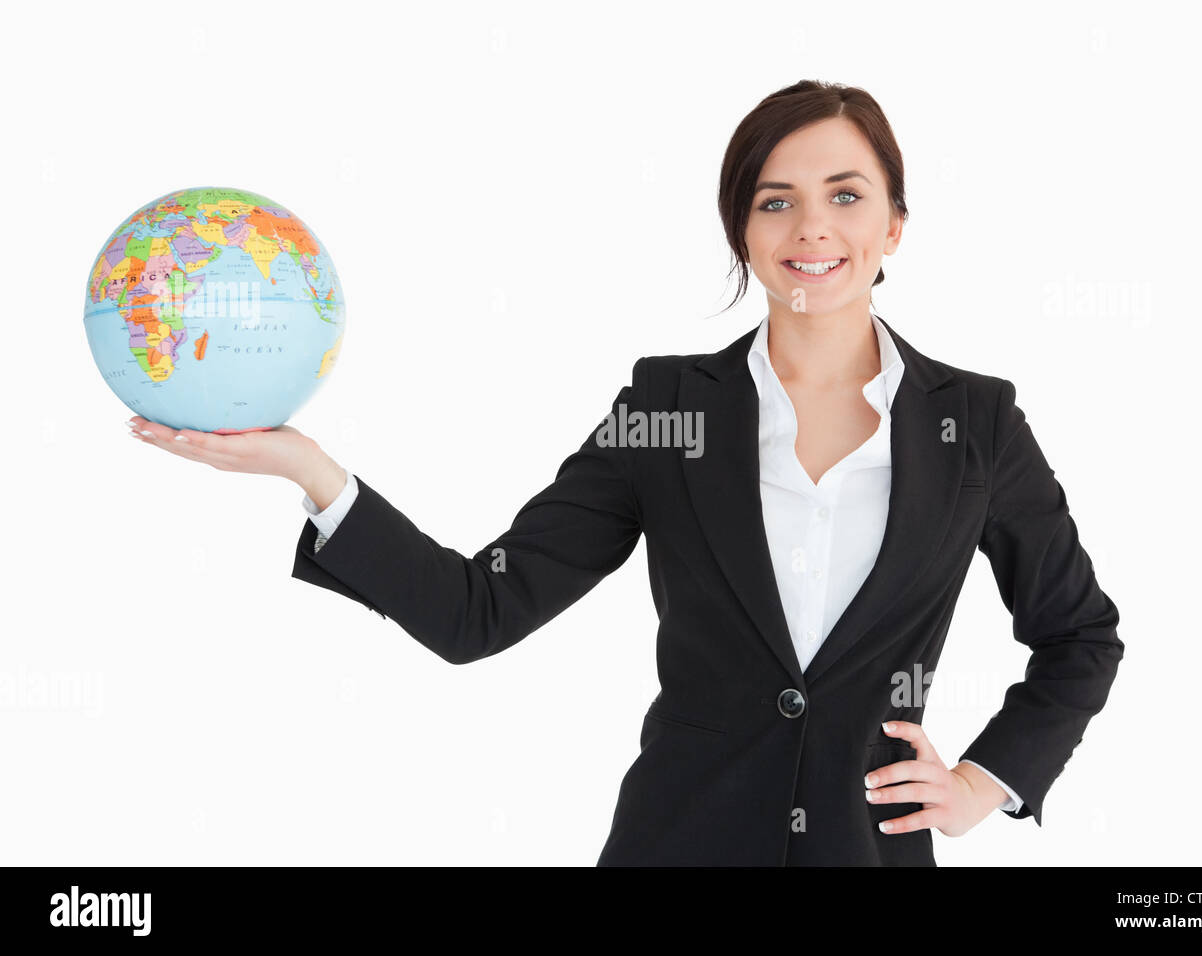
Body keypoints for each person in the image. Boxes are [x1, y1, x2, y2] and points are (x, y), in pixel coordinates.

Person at [127, 79, 1123, 866]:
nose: (811, 229)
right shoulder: (669, 409)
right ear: (743, 229)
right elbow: (482, 610)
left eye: (845, 196)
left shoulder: (977, 421)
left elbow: (1079, 634)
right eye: (776, 201)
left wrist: (989, 779)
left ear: (893, 226)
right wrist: (310, 470)